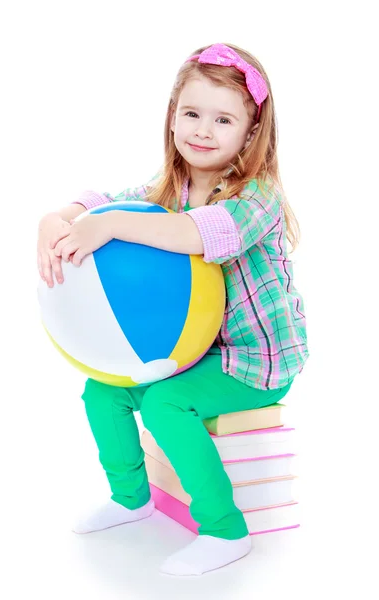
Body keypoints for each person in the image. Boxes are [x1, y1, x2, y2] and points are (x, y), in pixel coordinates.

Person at [37, 42, 309, 576]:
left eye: (223, 119)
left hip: (257, 362)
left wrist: (111, 226)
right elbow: (106, 201)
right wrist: (57, 217)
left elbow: (194, 234)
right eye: (191, 113)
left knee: (164, 403)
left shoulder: (257, 198)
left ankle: (225, 529)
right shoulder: (171, 187)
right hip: (199, 353)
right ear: (172, 117)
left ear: (251, 132)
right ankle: (130, 498)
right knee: (104, 387)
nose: (202, 130)